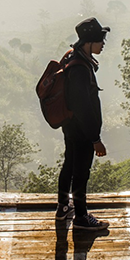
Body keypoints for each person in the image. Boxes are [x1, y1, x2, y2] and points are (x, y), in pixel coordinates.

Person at [55, 17, 110, 231]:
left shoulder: (74, 56)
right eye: (99, 40)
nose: (103, 44)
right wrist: (95, 139)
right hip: (81, 129)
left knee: (70, 164)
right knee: (81, 171)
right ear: (88, 42)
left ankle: (62, 208)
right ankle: (81, 217)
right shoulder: (79, 68)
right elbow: (83, 107)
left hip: (71, 126)